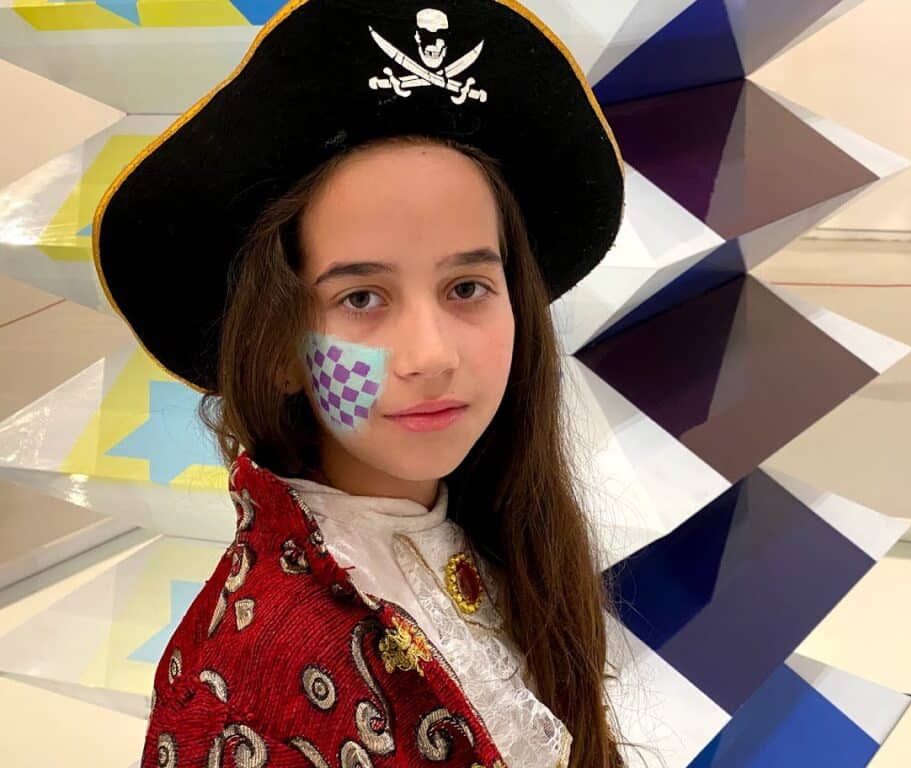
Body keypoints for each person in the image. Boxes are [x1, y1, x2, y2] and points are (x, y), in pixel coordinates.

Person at [92, 1, 626, 765]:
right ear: (279, 349)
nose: (431, 355)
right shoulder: (246, 670)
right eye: (362, 298)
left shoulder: (508, 538)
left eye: (467, 287)